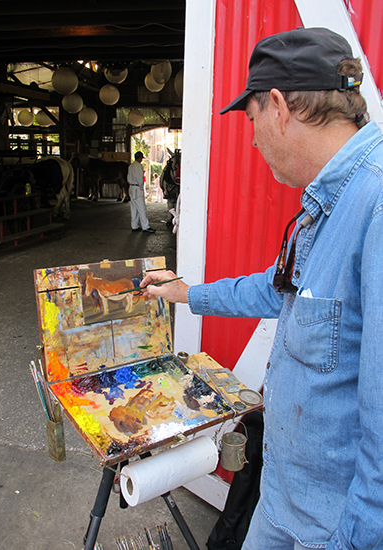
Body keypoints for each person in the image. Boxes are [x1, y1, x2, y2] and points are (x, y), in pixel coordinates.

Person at [140, 27, 383, 550]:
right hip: (281, 497)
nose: (252, 140)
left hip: (333, 530)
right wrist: (186, 294)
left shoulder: (376, 205)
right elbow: (277, 293)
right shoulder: (326, 202)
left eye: (251, 121)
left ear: (278, 107)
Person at [127, 151, 155, 233]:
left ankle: (134, 226)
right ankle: (145, 226)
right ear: (140, 158)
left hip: (131, 187)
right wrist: (141, 187)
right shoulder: (138, 166)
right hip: (137, 188)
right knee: (141, 208)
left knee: (134, 208)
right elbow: (140, 178)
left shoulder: (131, 166)